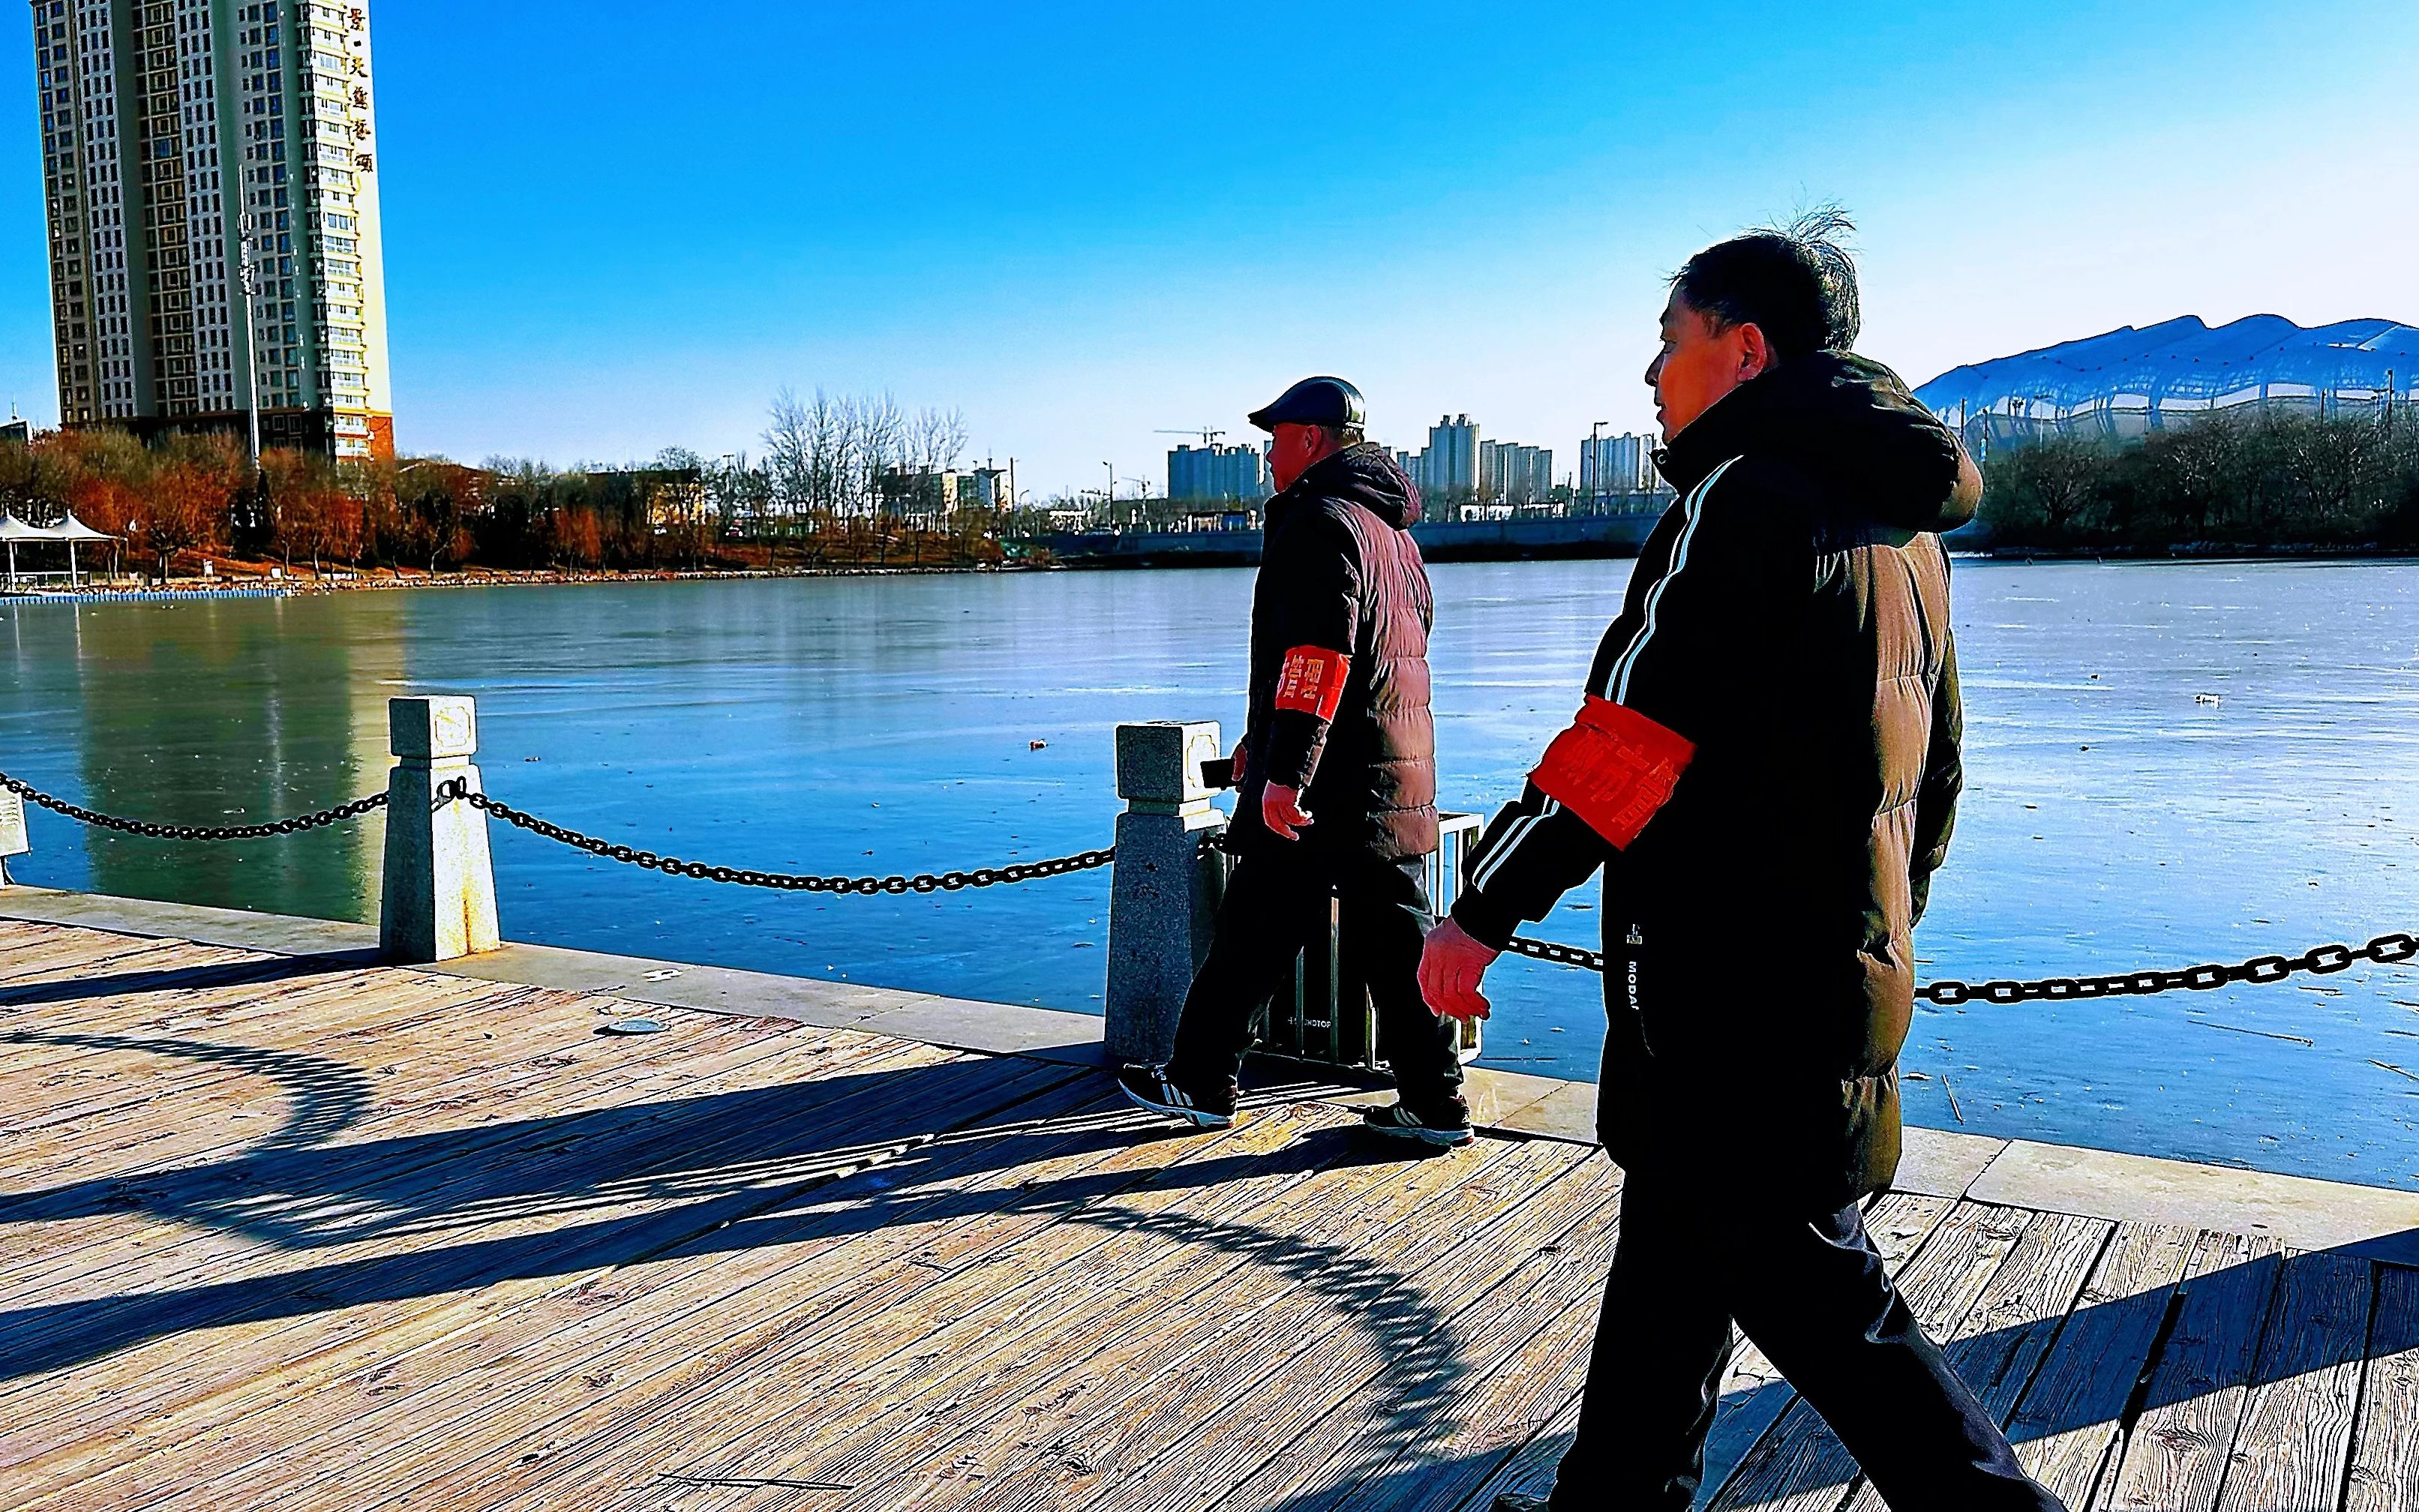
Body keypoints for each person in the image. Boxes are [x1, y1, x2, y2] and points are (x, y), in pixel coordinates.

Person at [1423, 216, 2065, 1510]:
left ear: (1746, 351)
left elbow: (1622, 746)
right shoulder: (1904, 527)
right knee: (1675, 1254)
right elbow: (1935, 769)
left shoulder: (1743, 499)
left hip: (1730, 992)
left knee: (1818, 1300)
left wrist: (1478, 911)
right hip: (1824, 969)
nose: (1650, 374)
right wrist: (1881, 923)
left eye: (1670, 342)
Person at [1119, 376, 1471, 1148]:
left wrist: (1287, 775)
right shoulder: (1394, 537)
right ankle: (1436, 1101)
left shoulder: (1317, 519)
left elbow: (1318, 655)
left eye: (1274, 439)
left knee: (1252, 933)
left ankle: (1200, 1081)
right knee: (1395, 944)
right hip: (1393, 772)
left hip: (1326, 788)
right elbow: (1385, 656)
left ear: (1311, 438)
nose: (1267, 456)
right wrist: (1264, 740)